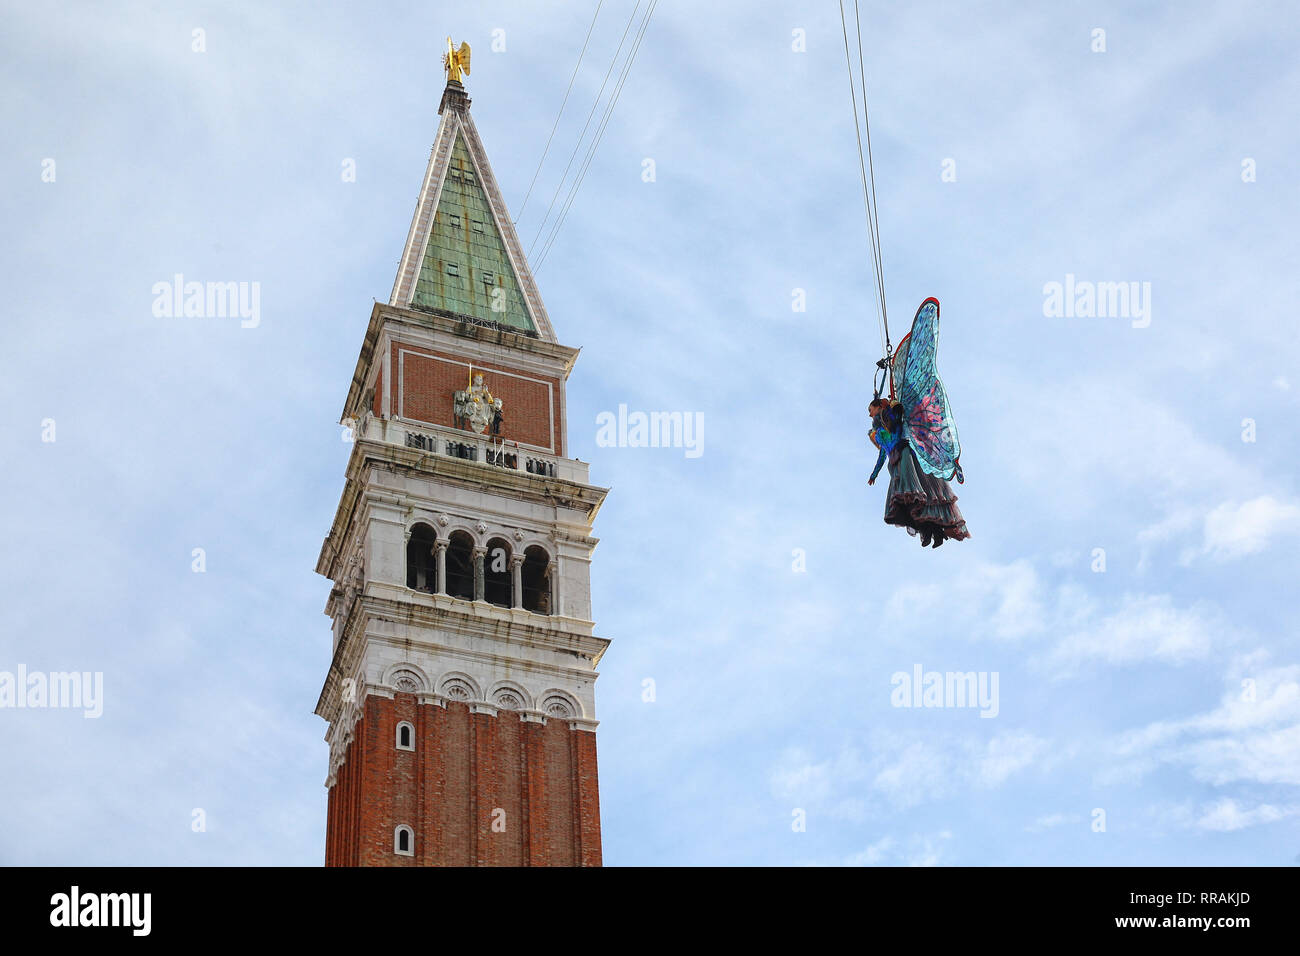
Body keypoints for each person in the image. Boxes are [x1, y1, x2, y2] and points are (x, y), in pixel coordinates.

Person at [869, 397, 970, 548]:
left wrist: (893, 407)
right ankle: (929, 531)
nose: (870, 414)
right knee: (909, 504)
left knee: (916, 497)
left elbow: (898, 422)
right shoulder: (877, 432)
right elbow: (882, 454)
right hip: (895, 465)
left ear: (878, 407)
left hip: (905, 457)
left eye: (870, 410)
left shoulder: (890, 415)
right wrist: (874, 473)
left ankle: (936, 532)